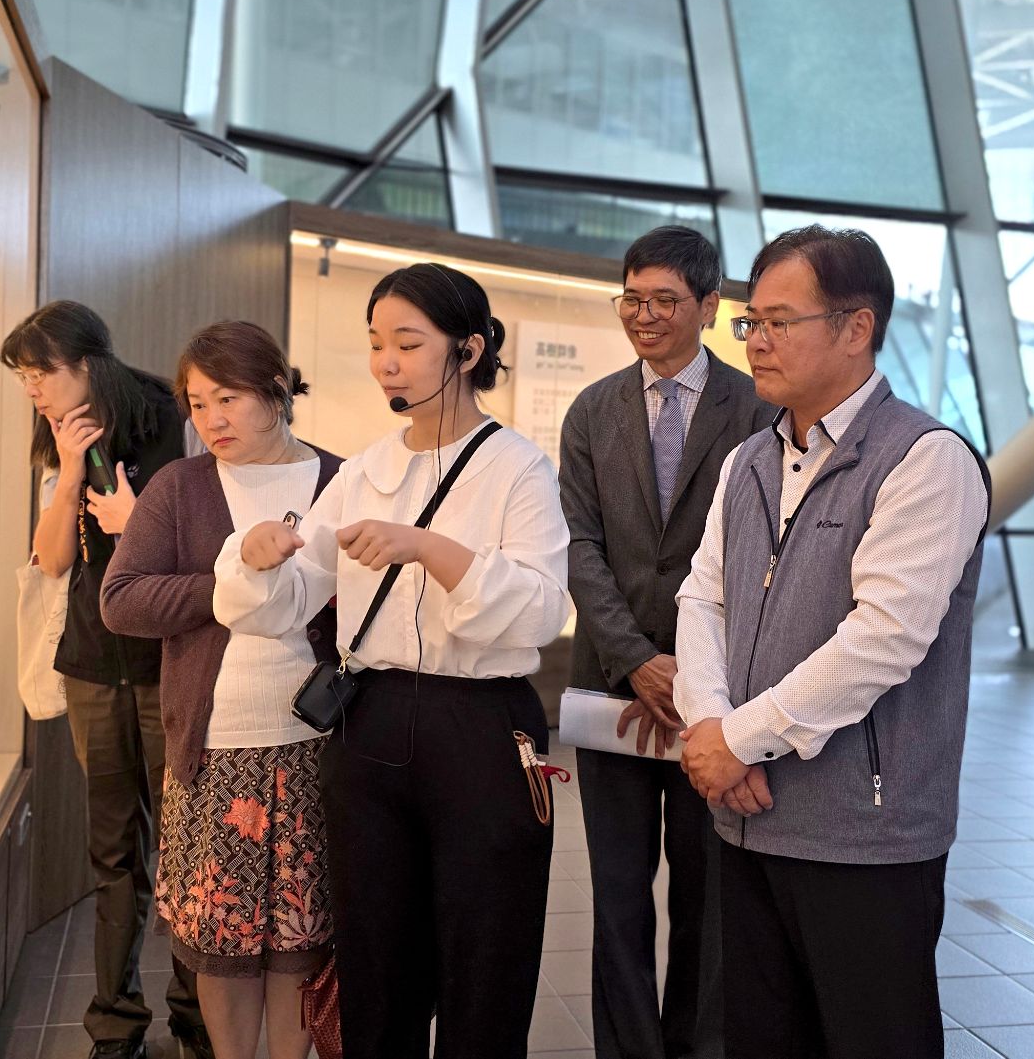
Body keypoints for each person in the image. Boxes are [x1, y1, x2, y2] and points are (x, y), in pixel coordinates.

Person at [214, 264, 571, 1059]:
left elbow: (544, 609)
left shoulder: (517, 466)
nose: (386, 363)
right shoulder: (366, 470)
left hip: (480, 725)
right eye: (377, 343)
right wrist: (258, 555)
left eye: (408, 344)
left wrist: (429, 547)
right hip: (368, 722)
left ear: (467, 349)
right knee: (375, 957)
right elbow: (290, 598)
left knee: (487, 952)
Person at [672, 226, 990, 1059]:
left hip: (865, 837)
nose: (756, 340)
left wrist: (737, 740)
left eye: (780, 321)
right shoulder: (749, 460)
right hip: (747, 818)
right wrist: (709, 728)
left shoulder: (925, 459)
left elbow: (883, 639)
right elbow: (702, 597)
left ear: (857, 328)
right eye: (751, 322)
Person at [100, 321, 342, 1059]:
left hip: (318, 743)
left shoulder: (341, 480)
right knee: (221, 943)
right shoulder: (181, 486)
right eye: (198, 404)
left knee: (301, 938)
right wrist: (232, 585)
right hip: (215, 750)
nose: (211, 420)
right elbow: (121, 600)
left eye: (227, 398)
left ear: (276, 389)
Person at [558, 227, 772, 1059]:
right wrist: (636, 659)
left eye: (665, 301)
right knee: (615, 897)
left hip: (713, 698)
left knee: (706, 896)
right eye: (632, 298)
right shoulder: (592, 410)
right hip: (615, 688)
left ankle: (695, 1048)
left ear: (710, 306)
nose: (644, 316)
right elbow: (579, 545)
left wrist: (687, 673)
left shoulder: (755, 409)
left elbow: (757, 554)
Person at [1, 301, 210, 1059]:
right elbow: (54, 559)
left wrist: (136, 519)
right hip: (93, 666)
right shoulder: (55, 433)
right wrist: (65, 475)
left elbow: (202, 549)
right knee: (113, 852)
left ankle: (195, 1018)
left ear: (85, 364)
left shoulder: (171, 420)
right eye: (23, 378)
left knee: (185, 847)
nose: (32, 389)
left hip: (167, 666)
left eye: (39, 373)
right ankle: (115, 1024)